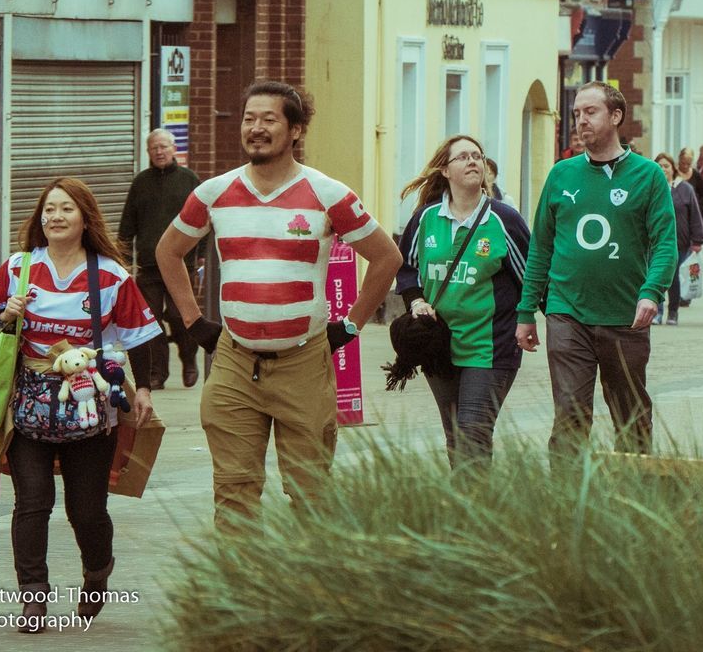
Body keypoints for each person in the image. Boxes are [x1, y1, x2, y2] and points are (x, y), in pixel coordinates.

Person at [155, 80, 401, 527]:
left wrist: (350, 325)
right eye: (249, 119)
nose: (256, 128)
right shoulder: (213, 193)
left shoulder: (329, 195)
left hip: (303, 364)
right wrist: (193, 322)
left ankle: (307, 594)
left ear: (295, 131)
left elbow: (387, 258)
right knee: (233, 493)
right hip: (233, 363)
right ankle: (238, 595)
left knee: (312, 496)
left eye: (269, 119)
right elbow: (168, 251)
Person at [0, 177, 161, 632]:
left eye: (66, 210)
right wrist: (4, 315)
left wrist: (143, 390)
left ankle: (97, 573)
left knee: (87, 509)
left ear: (85, 218)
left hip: (90, 407)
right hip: (29, 404)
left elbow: (140, 338)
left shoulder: (111, 274)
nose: (55, 217)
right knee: (32, 504)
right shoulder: (20, 267)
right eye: (49, 209)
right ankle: (33, 601)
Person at [515, 81, 678, 458]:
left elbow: (665, 243)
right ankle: (567, 502)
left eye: (591, 112)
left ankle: (632, 500)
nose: (581, 121)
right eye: (576, 113)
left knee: (631, 415)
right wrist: (526, 313)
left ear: (615, 116)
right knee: (571, 412)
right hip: (567, 310)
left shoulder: (648, 176)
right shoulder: (561, 175)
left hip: (625, 316)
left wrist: (652, 292)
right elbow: (540, 246)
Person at [395, 135, 531, 467]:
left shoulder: (503, 220)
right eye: (463, 157)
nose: (473, 161)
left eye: (478, 156)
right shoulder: (425, 219)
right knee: (457, 435)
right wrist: (415, 302)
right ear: (444, 170)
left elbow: (531, 275)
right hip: (439, 345)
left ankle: (476, 509)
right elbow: (407, 267)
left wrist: (538, 320)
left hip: (489, 346)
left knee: (473, 431)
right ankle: (466, 509)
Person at [118, 128, 206, 389]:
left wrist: (201, 256)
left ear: (173, 149)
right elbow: (127, 224)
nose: (159, 152)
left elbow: (203, 221)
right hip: (149, 266)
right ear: (148, 152)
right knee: (151, 321)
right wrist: (122, 258)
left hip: (181, 264)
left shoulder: (189, 180)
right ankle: (158, 373)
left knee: (181, 317)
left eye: (163, 147)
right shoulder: (140, 183)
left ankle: (189, 358)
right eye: (154, 148)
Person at [655, 152, 703, 324]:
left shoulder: (685, 189)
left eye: (666, 166)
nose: (663, 169)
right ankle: (657, 312)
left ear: (673, 168)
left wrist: (697, 240)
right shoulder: (652, 187)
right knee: (657, 277)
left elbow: (695, 215)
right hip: (656, 241)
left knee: (673, 277)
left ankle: (673, 312)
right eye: (659, 166)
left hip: (679, 242)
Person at [677, 147, 703, 215]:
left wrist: (698, 210)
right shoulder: (673, 174)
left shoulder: (696, 175)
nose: (685, 166)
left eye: (688, 164)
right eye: (683, 163)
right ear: (679, 159)